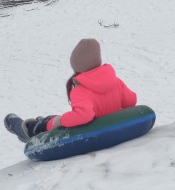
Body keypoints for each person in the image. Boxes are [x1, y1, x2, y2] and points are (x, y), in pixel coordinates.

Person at [4, 38, 137, 143]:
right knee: (51, 119)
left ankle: (22, 128)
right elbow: (130, 102)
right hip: (108, 126)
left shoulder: (81, 90)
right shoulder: (116, 81)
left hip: (82, 130)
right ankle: (43, 120)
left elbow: (83, 116)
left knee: (42, 125)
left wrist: (59, 121)